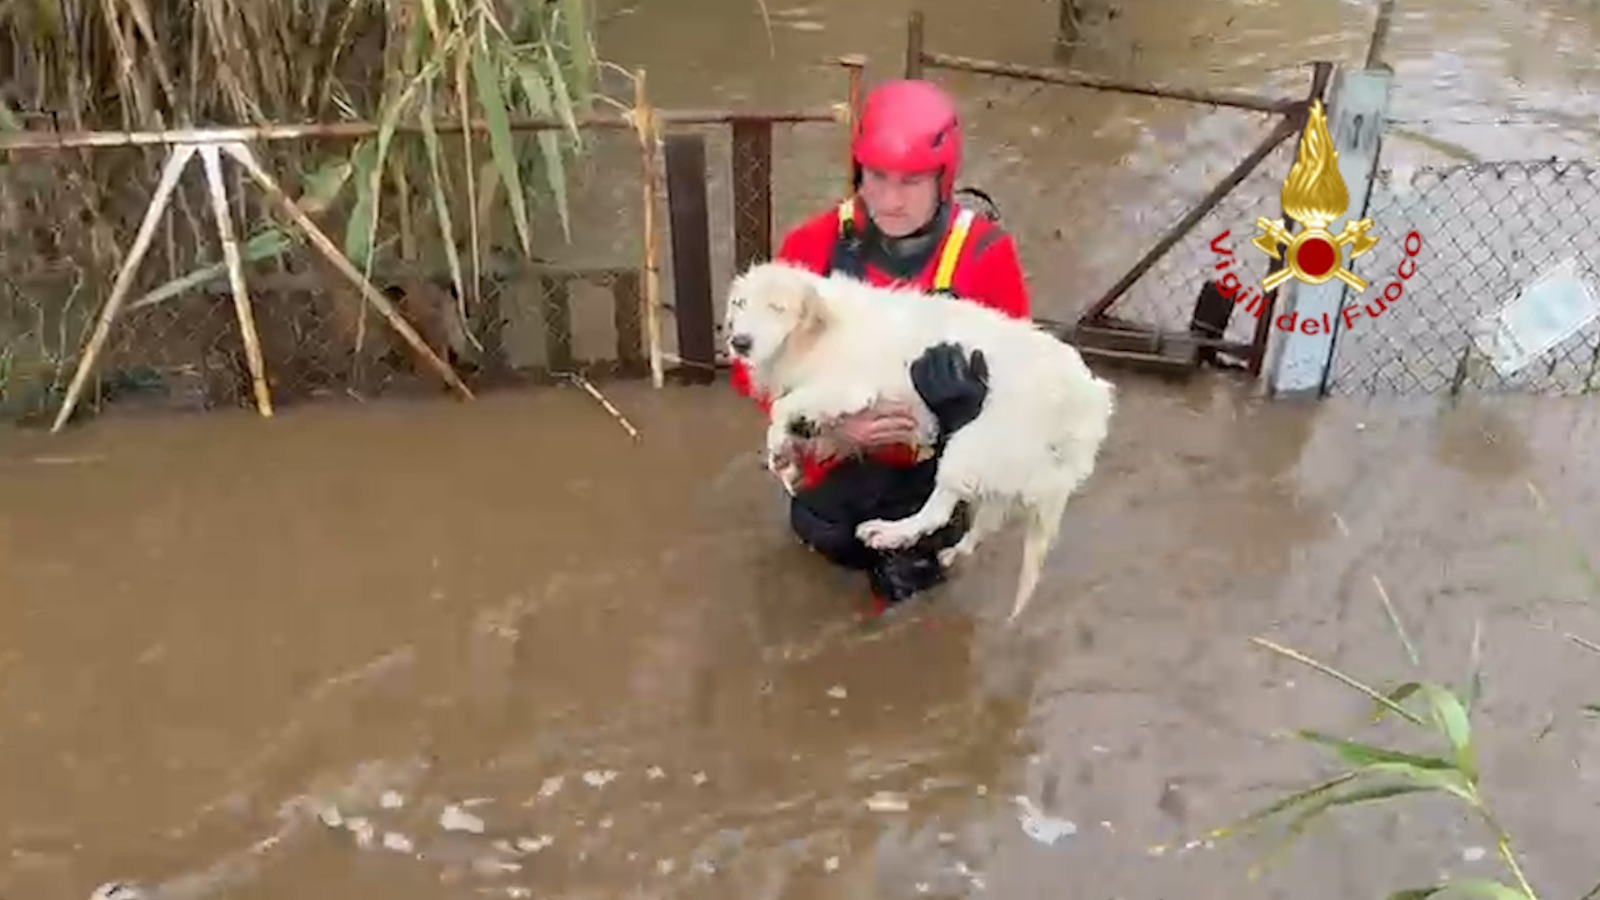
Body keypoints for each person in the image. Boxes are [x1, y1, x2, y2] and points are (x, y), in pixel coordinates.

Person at [728, 78, 1034, 615]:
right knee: (809, 601)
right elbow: (749, 368)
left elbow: (1023, 392)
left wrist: (964, 407)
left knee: (909, 617)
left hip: (923, 487)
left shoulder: (983, 257)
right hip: (828, 481)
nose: (890, 200)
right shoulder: (812, 246)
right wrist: (827, 427)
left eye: (912, 181)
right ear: (857, 171)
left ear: (944, 178)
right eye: (877, 177)